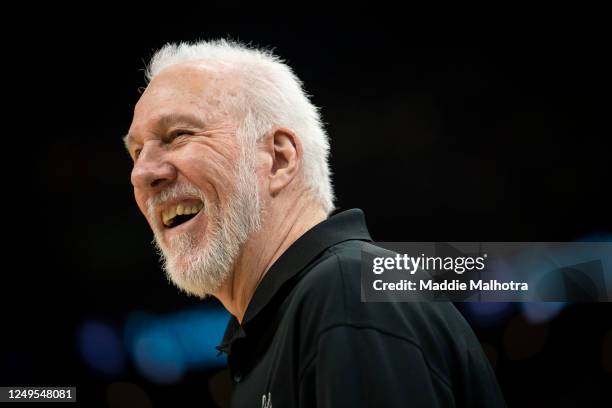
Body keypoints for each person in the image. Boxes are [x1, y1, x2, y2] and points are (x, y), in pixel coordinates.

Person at [124, 39, 505, 407]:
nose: (142, 174)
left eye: (178, 135)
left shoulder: (345, 294)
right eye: (137, 152)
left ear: (279, 159)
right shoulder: (288, 322)